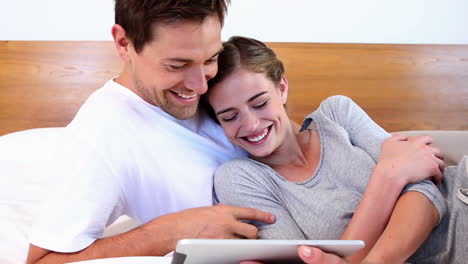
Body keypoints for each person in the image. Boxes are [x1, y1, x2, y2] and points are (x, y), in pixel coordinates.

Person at [25, 1, 342, 264]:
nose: (201, 86)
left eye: (210, 58)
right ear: (124, 44)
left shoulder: (220, 86)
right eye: (177, 65)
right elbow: (42, 261)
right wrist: (166, 233)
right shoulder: (99, 137)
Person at [205, 36, 468, 264]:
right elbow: (305, 258)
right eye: (230, 117)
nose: (251, 124)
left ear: (281, 88)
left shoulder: (337, 113)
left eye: (260, 103)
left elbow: (424, 189)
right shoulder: (241, 179)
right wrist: (388, 177)